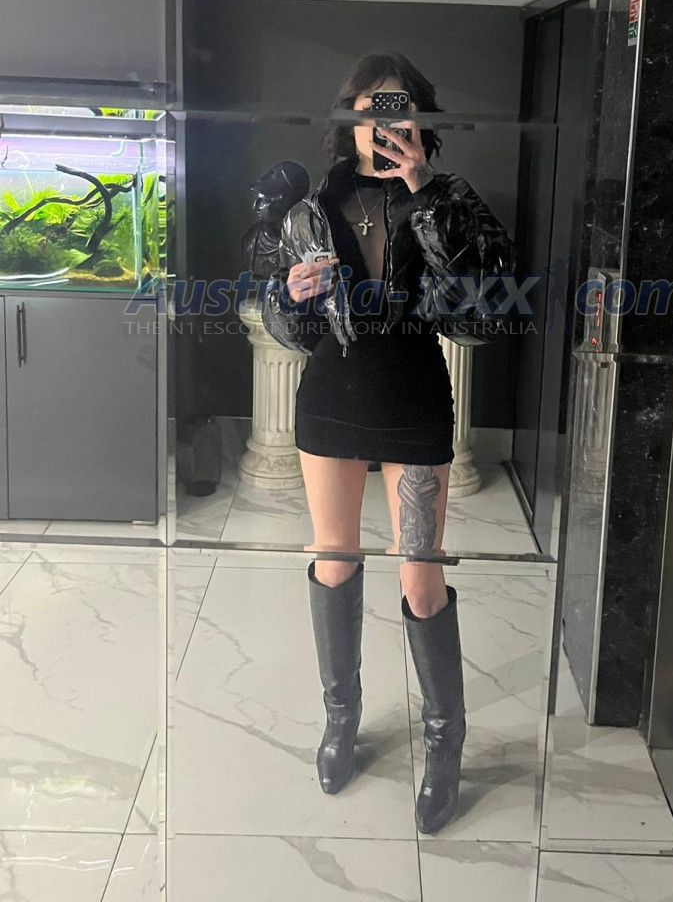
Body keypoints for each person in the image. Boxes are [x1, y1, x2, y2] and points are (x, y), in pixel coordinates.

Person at [262, 51, 514, 834]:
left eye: (397, 109)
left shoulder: (449, 199)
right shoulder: (312, 210)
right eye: (369, 110)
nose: (383, 124)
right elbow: (294, 330)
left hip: (413, 399)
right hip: (331, 400)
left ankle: (444, 740)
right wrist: (288, 297)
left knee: (421, 579)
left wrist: (422, 191)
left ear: (420, 120)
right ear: (347, 122)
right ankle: (342, 719)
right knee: (334, 560)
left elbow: (484, 313)